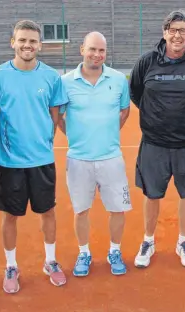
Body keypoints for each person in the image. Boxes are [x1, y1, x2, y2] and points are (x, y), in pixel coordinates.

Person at [0, 20, 68, 294]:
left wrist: (43, 141)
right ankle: (11, 265)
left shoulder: (52, 77)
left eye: (32, 41)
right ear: (13, 42)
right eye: (22, 40)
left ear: (39, 45)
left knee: (48, 212)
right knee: (10, 216)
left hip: (42, 160)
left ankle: (51, 261)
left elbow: (55, 115)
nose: (27, 45)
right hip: (9, 163)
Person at [130, 10, 185, 268]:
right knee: (151, 194)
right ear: (164, 32)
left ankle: (183, 241)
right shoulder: (146, 62)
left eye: (183, 31)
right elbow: (136, 93)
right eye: (172, 30)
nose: (177, 35)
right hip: (154, 143)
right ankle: (148, 240)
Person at [58, 31, 132, 277]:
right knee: (81, 210)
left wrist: (108, 134)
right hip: (78, 159)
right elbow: (58, 116)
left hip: (111, 157)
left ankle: (114, 250)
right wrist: (75, 137)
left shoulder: (119, 79)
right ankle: (84, 252)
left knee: (117, 209)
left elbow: (124, 111)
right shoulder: (66, 82)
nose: (96, 55)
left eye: (101, 50)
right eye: (92, 49)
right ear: (82, 50)